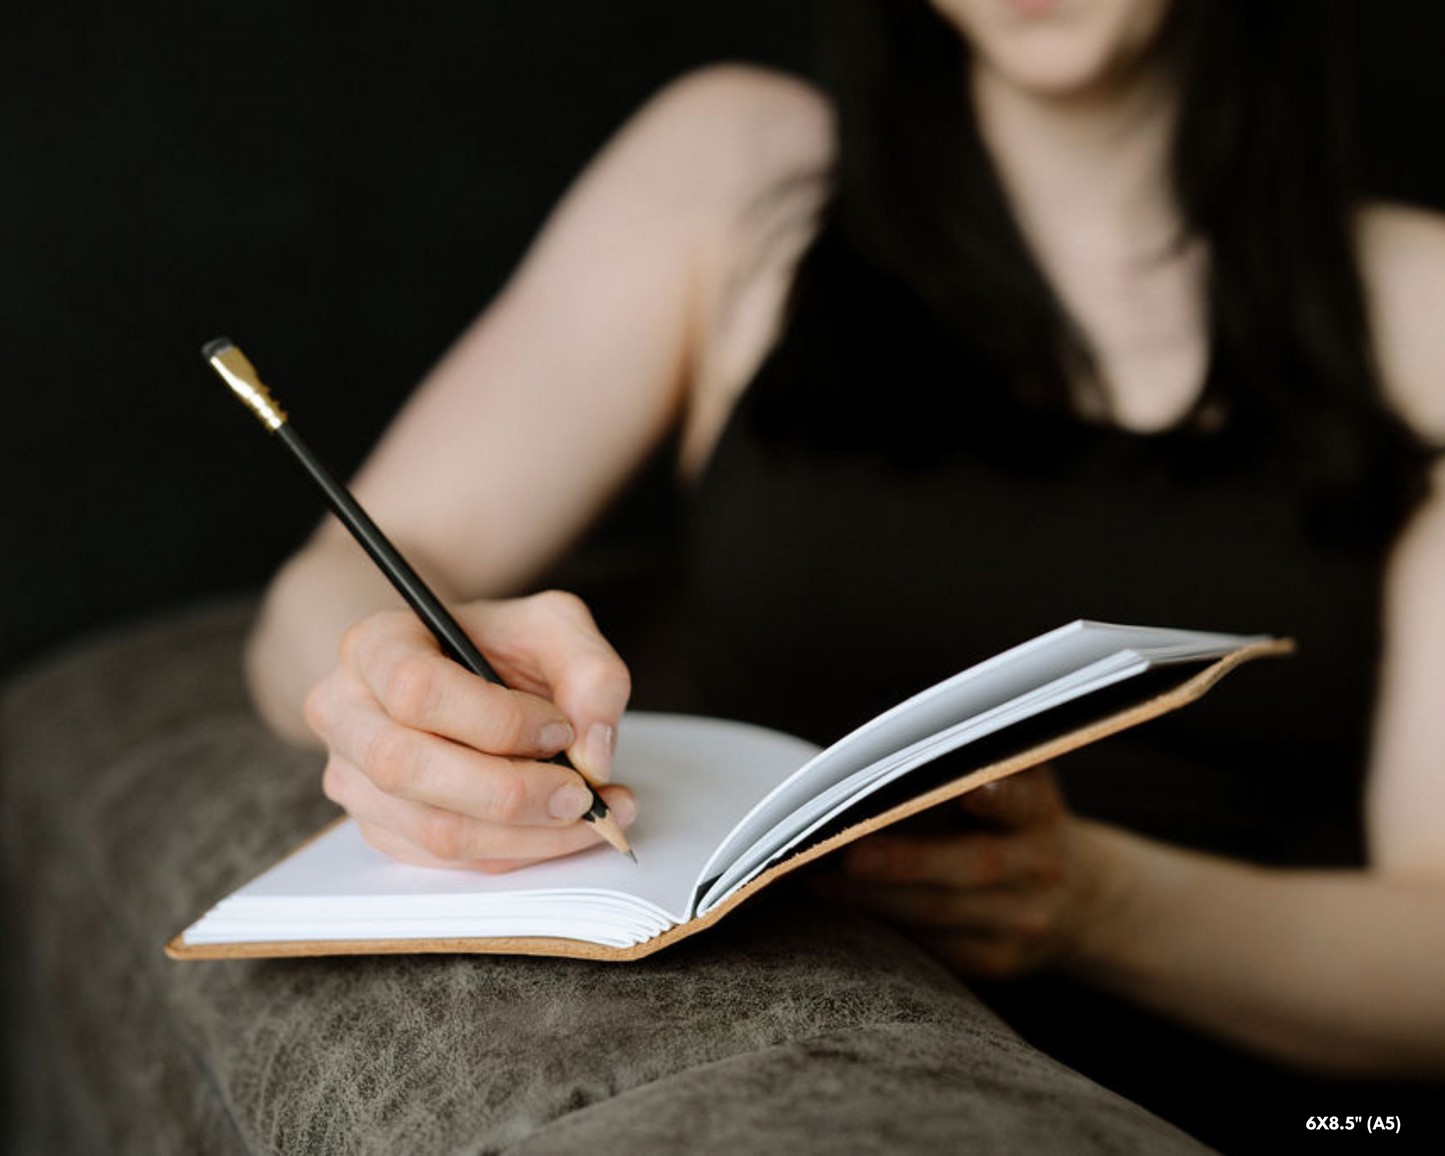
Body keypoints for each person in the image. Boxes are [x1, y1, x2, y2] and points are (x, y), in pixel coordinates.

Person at [245, 0, 1445, 1145]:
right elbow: (345, 573)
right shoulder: (739, 176)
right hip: (757, 1045)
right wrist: (397, 694)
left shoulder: (1418, 307)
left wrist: (1091, 901)